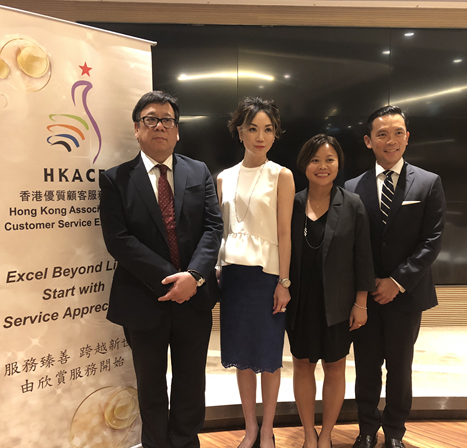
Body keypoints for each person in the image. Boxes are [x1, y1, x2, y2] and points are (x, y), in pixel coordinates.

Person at [99, 90, 223, 448]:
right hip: (142, 298)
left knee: (191, 383)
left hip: (194, 298)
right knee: (150, 386)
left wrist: (194, 277)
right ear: (137, 129)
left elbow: (213, 227)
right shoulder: (115, 179)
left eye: (167, 120)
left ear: (177, 131)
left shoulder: (198, 171)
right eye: (151, 119)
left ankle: (185, 442)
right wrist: (171, 279)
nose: (160, 126)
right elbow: (118, 239)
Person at [344, 105, 446, 448]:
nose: (391, 140)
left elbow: (432, 241)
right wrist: (368, 285)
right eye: (382, 134)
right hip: (366, 296)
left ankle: (394, 432)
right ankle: (366, 430)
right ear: (368, 141)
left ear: (407, 137)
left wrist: (397, 282)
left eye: (398, 133)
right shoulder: (351, 187)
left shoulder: (428, 182)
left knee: (401, 368)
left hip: (407, 295)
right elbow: (350, 243)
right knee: (366, 367)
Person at [287, 134, 376, 448]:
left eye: (329, 160)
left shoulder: (352, 204)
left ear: (338, 164)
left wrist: (361, 303)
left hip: (338, 303)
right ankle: (308, 434)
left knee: (335, 367)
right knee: (302, 365)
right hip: (300, 302)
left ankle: (326, 434)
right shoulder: (291, 203)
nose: (322, 166)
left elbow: (363, 257)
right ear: (304, 165)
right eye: (315, 160)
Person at [217, 97, 295, 448]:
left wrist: (284, 282)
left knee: (268, 357)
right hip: (233, 278)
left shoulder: (281, 175)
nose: (260, 137)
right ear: (239, 132)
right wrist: (217, 268)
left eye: (268, 129)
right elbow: (220, 230)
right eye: (252, 128)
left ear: (275, 134)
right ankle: (250, 428)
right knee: (242, 358)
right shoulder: (223, 177)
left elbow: (284, 233)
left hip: (267, 279)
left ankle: (267, 430)